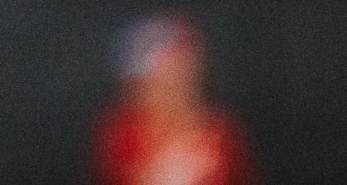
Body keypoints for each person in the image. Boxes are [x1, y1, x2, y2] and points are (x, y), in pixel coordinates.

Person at [94, 14, 257, 185]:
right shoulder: (122, 134)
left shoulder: (222, 134)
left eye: (177, 75)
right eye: (152, 81)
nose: (167, 90)